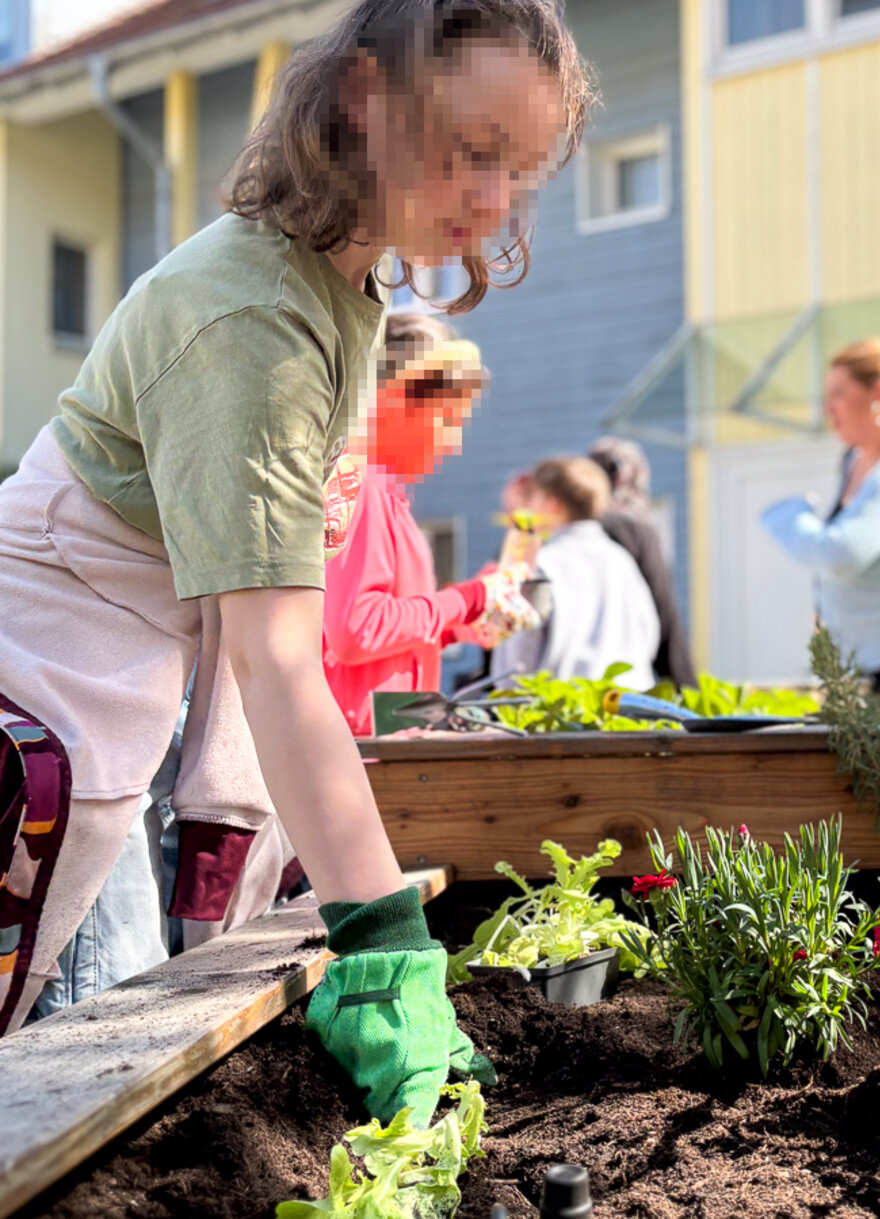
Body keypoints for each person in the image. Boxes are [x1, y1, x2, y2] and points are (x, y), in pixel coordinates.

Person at [0, 0, 594, 1131]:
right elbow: (280, 662)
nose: (493, 200)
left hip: (122, 687)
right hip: (48, 692)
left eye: (518, 171)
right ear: (366, 98)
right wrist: (386, 947)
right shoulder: (253, 319)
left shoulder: (347, 284)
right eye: (473, 152)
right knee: (79, 1078)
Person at [322, 313, 528, 736]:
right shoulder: (359, 481)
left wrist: (459, 626)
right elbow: (354, 630)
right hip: (363, 748)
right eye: (448, 419)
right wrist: (468, 599)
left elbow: (372, 648)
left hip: (385, 730)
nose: (451, 444)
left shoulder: (377, 489)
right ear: (397, 399)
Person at [761, 339, 880, 692]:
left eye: (837, 394)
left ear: (878, 395)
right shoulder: (855, 461)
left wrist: (788, 516)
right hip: (860, 669)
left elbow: (841, 554)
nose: (827, 409)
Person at [492, 457, 661, 689]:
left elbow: (521, 651)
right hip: (627, 705)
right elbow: (648, 633)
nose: (528, 508)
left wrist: (508, 694)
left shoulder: (544, 564)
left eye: (533, 498)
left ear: (553, 505)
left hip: (565, 712)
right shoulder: (622, 560)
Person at [588, 436, 697, 688]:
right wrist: (688, 691)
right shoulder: (636, 531)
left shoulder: (572, 533)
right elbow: (663, 611)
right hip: (626, 678)